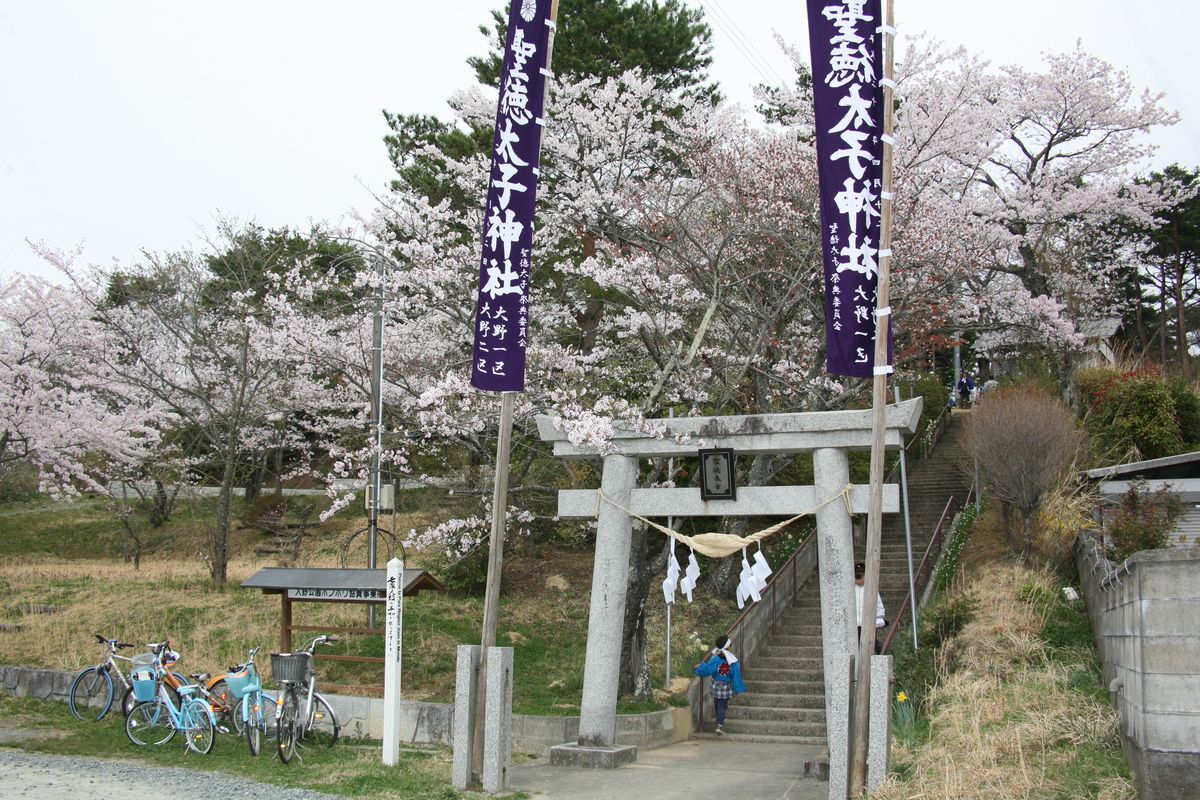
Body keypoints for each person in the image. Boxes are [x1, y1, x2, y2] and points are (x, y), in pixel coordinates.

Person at [694, 633, 746, 736]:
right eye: (731, 645)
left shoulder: (715, 659)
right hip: (726, 686)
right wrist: (737, 689)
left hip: (716, 685)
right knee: (723, 706)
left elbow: (708, 669)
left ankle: (719, 722)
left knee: (718, 704)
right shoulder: (732, 661)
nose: (732, 647)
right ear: (728, 647)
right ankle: (720, 725)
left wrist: (700, 667)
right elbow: (736, 676)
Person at [854, 562, 886, 655]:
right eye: (857, 578)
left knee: (871, 642)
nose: (859, 581)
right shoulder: (850, 588)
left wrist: (880, 615)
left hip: (868, 622)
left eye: (861, 578)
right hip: (854, 623)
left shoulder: (871, 588)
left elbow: (878, 603)